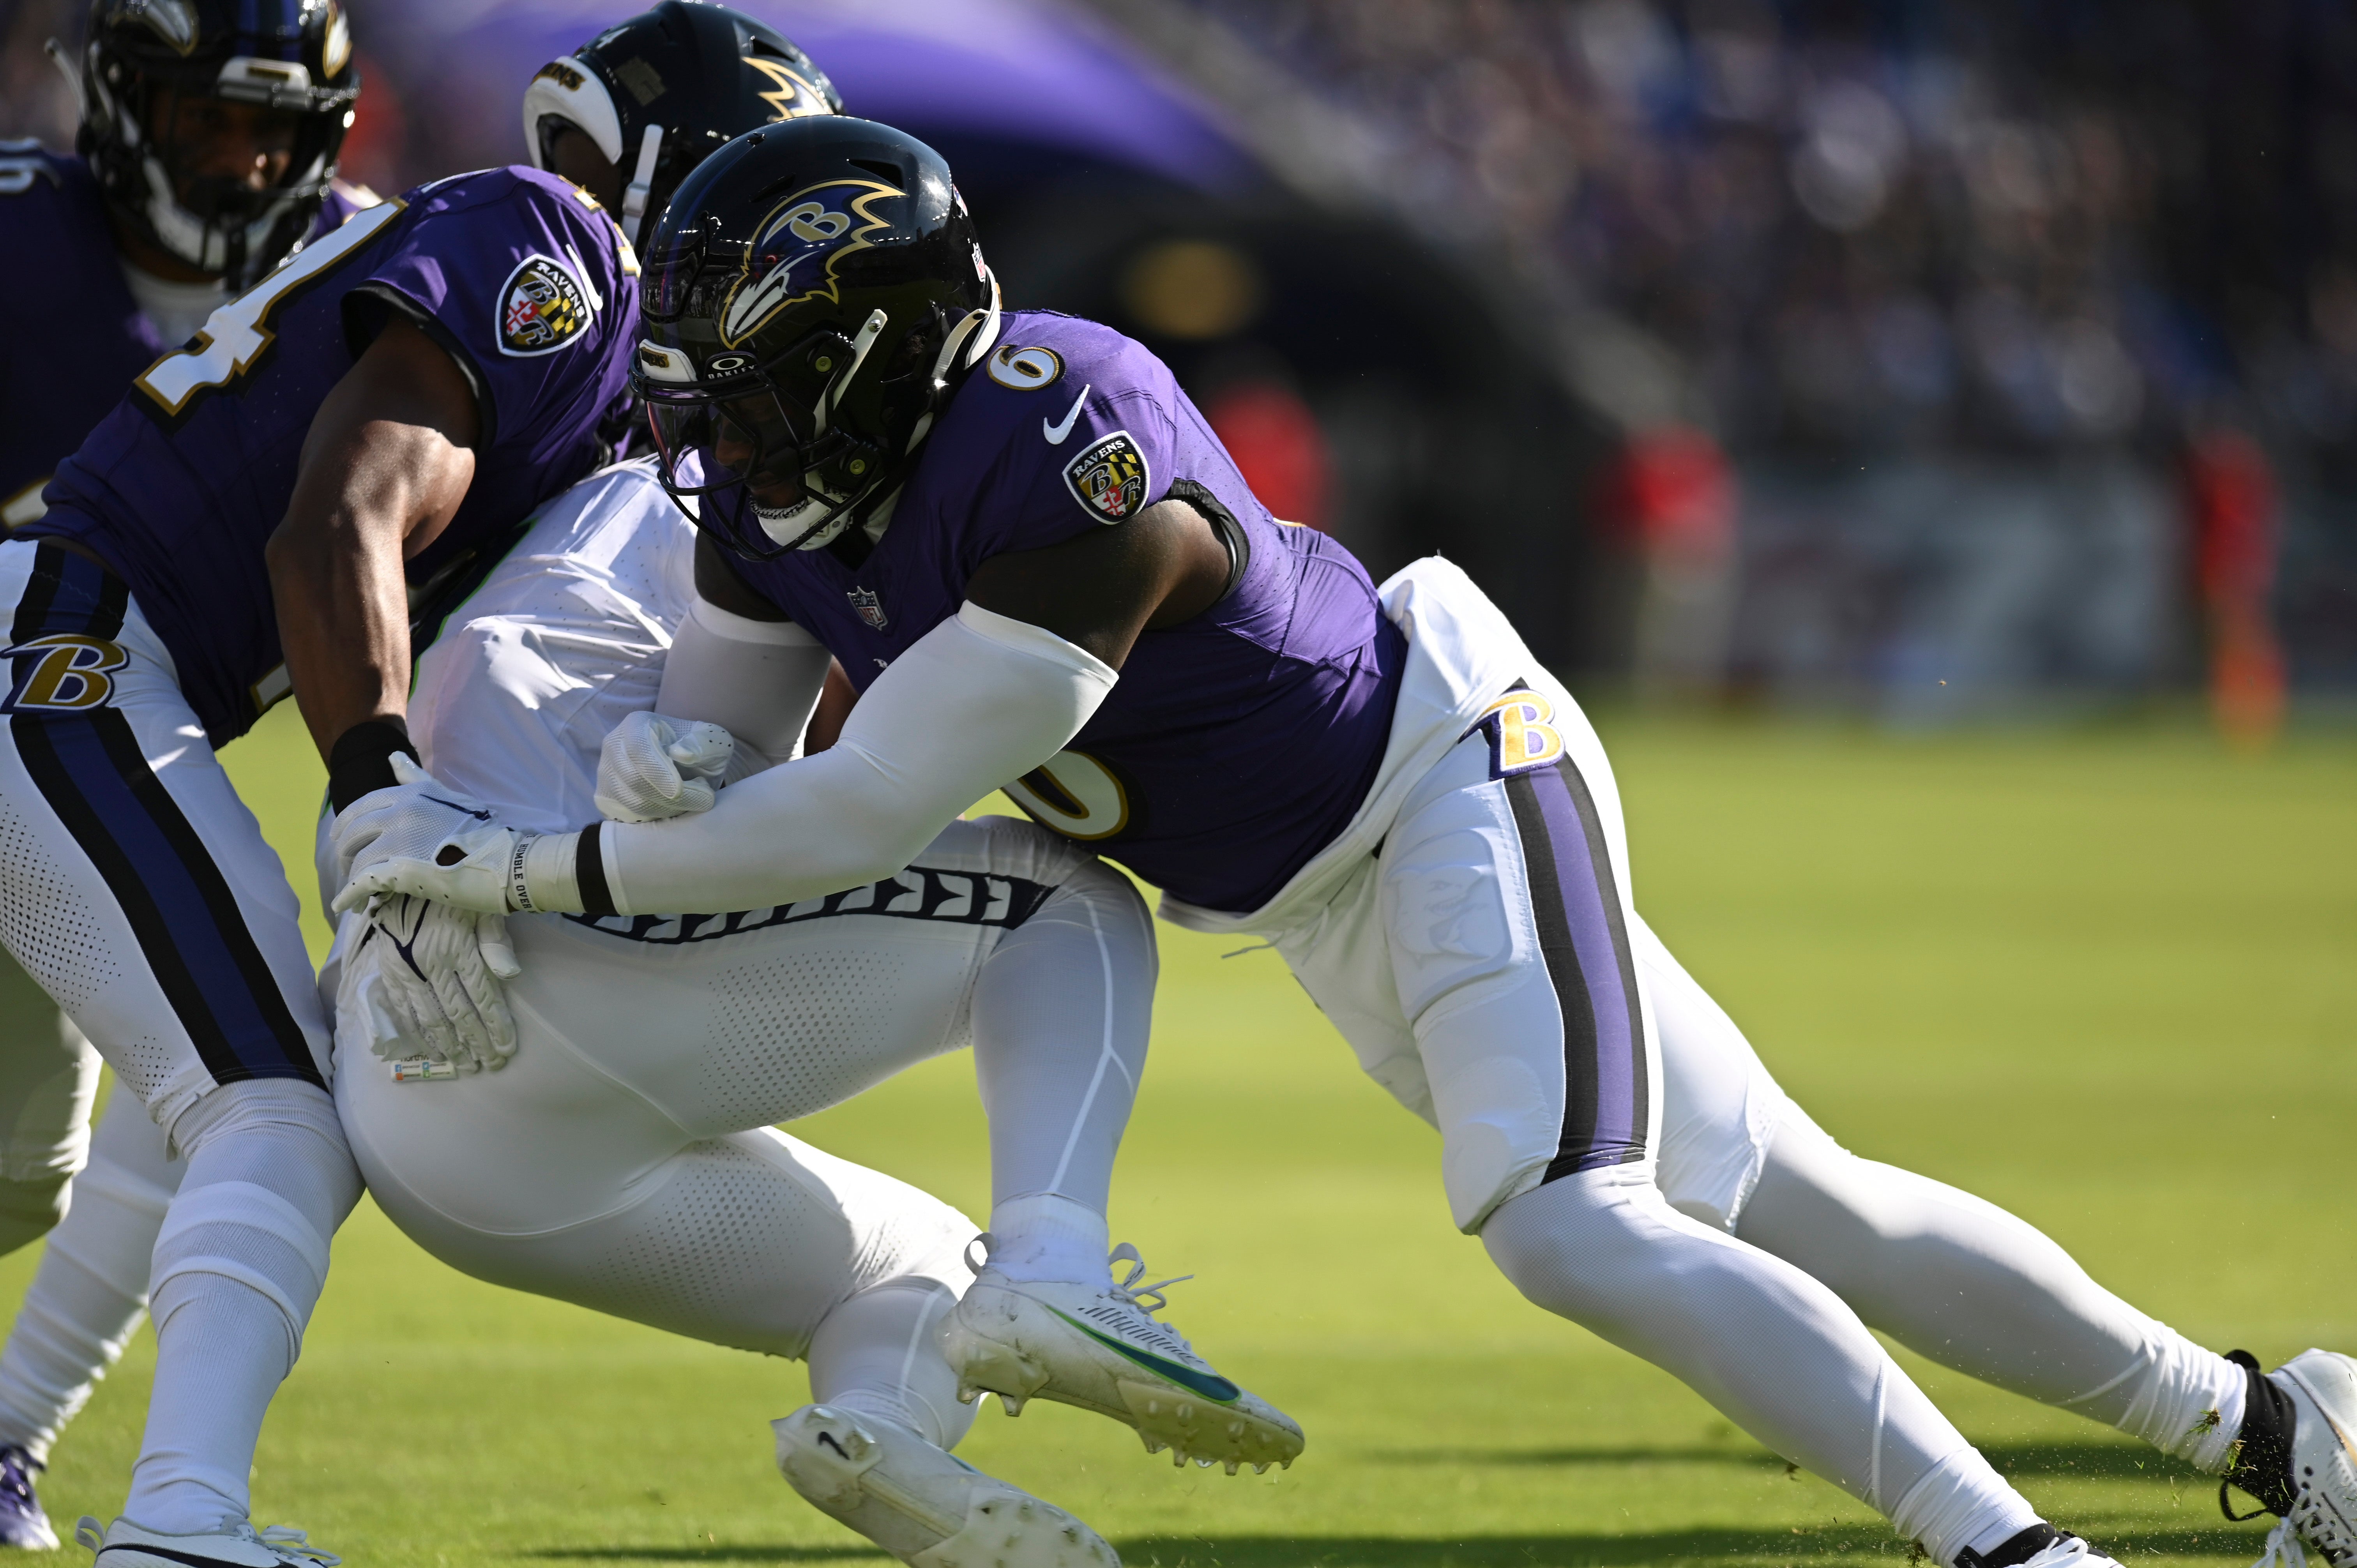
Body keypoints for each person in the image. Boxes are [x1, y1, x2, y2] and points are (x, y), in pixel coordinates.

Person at [343, 114, 2357, 1568]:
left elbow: (859, 808)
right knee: (1795, 1200)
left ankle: (2005, 1549)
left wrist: (522, 872)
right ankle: (2279, 1425)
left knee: (1574, 1218)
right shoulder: (775, 492)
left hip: (1444, 773)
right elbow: (730, 738)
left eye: (757, 385)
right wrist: (642, 780)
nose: (723, 439)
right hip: (1309, 888)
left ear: (869, 350)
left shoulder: (1073, 454)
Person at [0, 8, 845, 1564]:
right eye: (765, 192)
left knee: (141, 1111)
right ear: (682, 168)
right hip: (62, 649)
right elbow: (337, 525)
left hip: (91, 659)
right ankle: (183, 1521)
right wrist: (385, 797)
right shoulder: (558, 247)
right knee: (265, 1099)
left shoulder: (602, 363)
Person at [334, 452, 1263, 1566]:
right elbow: (841, 774)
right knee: (1064, 903)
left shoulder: (522, 540)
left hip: (418, 1106)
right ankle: (1050, 1268)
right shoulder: (757, 480)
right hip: (566, 960)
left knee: (914, 1265)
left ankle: (879, 1430)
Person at [0, 0, 368, 1548]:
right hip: (46, 712)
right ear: (124, 103)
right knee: (247, 1079)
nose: (243, 159)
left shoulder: (370, 274)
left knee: (30, 1167)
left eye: (274, 128)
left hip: (96, 744)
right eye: (212, 118)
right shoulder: (23, 240)